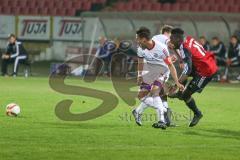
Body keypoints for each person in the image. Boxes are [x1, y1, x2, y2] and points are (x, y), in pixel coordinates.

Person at [132, 27, 184, 129]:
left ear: (144, 39)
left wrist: (177, 82)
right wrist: (139, 75)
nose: (137, 41)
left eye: (138, 39)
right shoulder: (140, 49)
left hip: (162, 71)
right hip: (149, 71)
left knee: (155, 91)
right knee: (141, 96)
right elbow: (141, 62)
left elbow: (170, 66)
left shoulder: (161, 48)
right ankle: (157, 110)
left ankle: (161, 120)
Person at [169, 28, 218, 127]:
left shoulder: (185, 48)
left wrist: (176, 84)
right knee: (185, 74)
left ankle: (197, 113)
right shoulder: (188, 39)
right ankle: (179, 93)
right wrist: (174, 48)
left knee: (186, 95)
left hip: (206, 71)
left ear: (177, 39)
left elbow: (188, 70)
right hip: (203, 64)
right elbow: (185, 56)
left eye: (171, 39)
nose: (170, 41)